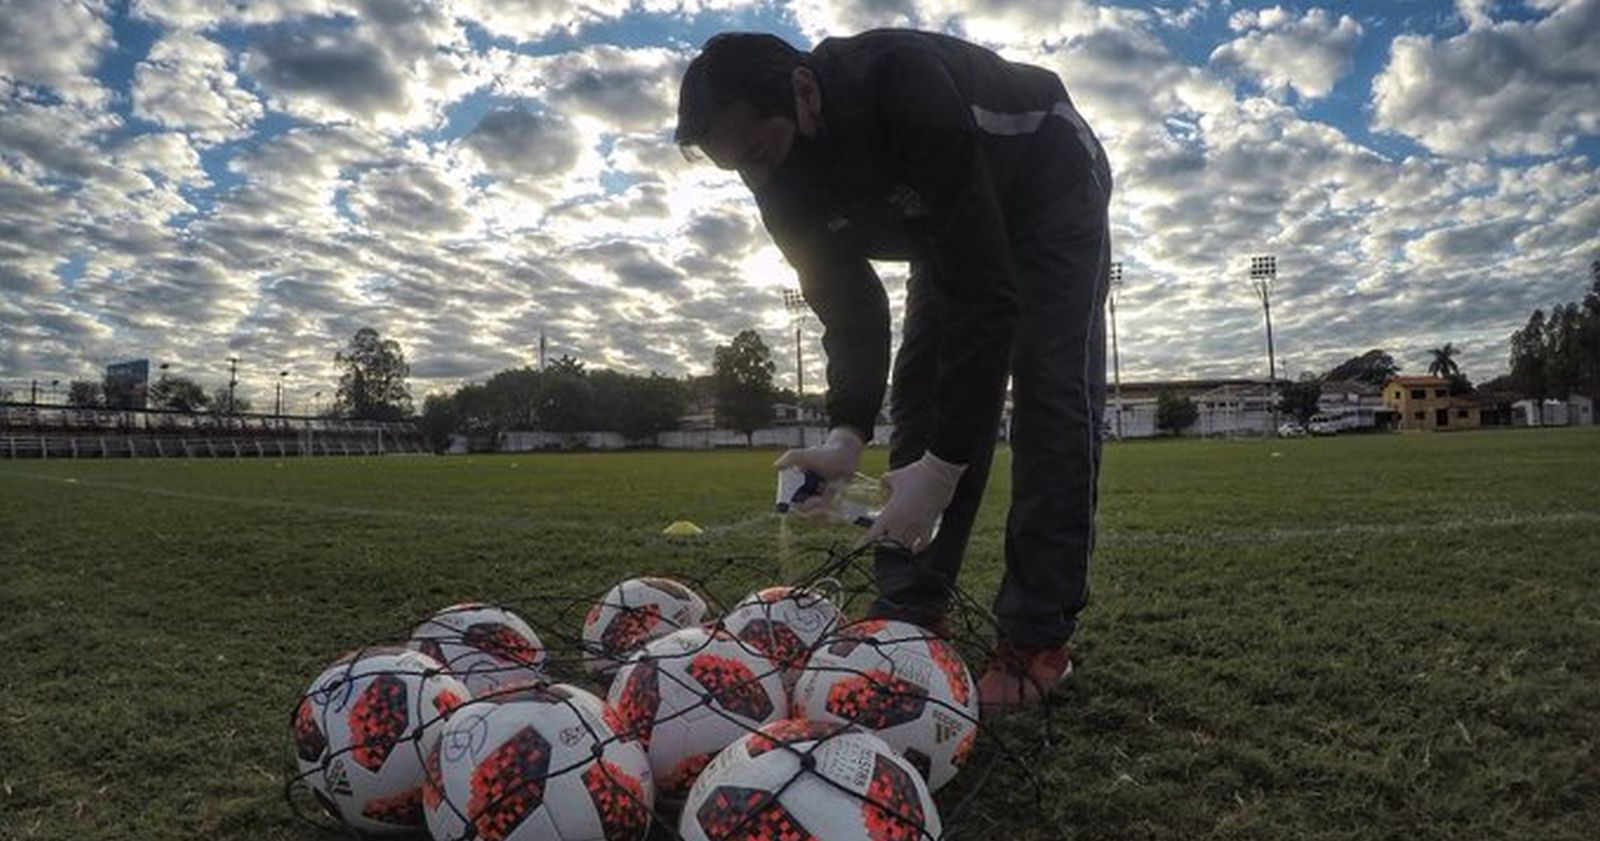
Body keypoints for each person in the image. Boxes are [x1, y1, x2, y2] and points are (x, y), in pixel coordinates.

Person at [675, 29, 1112, 712]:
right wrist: (846, 433)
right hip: (948, 224)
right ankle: (908, 610)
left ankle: (1035, 638)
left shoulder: (902, 85)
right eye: (740, 169)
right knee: (922, 392)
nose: (760, 180)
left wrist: (940, 472)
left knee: (1051, 393)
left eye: (762, 152)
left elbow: (988, 304)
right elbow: (849, 309)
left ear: (804, 90)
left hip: (1047, 183)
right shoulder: (773, 178)